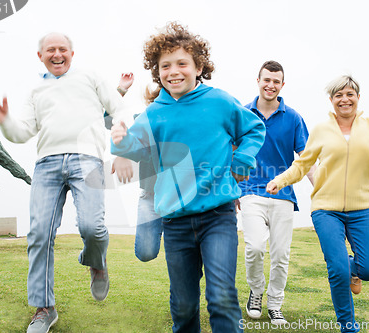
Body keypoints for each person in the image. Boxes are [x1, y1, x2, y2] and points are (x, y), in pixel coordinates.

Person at [111, 22, 266, 333]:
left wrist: (242, 159)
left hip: (217, 217)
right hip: (176, 222)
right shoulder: (155, 112)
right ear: (157, 72)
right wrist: (121, 141)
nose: (174, 71)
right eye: (165, 65)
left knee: (221, 296)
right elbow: (140, 152)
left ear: (198, 67)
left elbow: (254, 128)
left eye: (182, 63)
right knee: (183, 307)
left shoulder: (220, 102)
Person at [0, 32, 133, 333]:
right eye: (50, 50)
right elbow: (22, 132)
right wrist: (5, 121)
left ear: (72, 52)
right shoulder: (36, 91)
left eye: (63, 49)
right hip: (47, 165)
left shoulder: (90, 77)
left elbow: (117, 107)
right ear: (40, 55)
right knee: (39, 233)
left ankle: (96, 261)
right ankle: (44, 308)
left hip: (88, 159)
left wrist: (121, 131)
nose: (57, 54)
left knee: (92, 227)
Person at [267, 75, 369, 333]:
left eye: (349, 94)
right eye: (338, 95)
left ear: (358, 98)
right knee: (337, 270)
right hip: (325, 209)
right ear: (331, 100)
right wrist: (280, 181)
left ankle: (354, 270)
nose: (344, 99)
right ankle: (348, 327)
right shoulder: (320, 130)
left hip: (362, 208)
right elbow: (303, 164)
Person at [238, 60, 314, 325]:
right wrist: (232, 189)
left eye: (276, 81)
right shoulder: (243, 114)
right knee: (255, 246)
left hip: (283, 195)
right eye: (266, 80)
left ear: (282, 85)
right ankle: (256, 292)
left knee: (281, 255)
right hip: (250, 191)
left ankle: (276, 304)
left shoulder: (293, 118)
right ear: (258, 81)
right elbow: (230, 152)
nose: (270, 85)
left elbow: (306, 158)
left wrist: (322, 189)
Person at [112, 139, 162, 262]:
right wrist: (122, 153)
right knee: (145, 251)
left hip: (180, 195)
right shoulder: (147, 120)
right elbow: (136, 133)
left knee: (183, 255)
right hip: (151, 192)